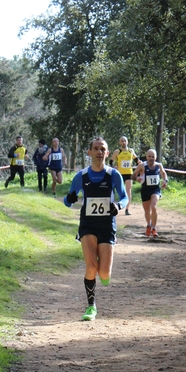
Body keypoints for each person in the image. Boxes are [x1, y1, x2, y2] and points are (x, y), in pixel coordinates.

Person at [64, 136, 128, 321]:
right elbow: (68, 200)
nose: (100, 152)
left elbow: (124, 197)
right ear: (89, 152)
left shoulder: (113, 175)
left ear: (108, 154)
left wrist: (118, 206)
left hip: (107, 225)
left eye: (103, 149)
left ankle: (104, 272)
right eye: (96, 149)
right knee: (91, 266)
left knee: (104, 273)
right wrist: (70, 199)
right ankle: (91, 307)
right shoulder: (81, 176)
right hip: (88, 224)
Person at [133, 148, 168, 237]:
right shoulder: (142, 166)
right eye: (149, 156)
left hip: (155, 189)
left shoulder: (159, 165)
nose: (151, 158)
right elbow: (133, 175)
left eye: (153, 156)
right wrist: (137, 178)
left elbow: (163, 173)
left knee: (154, 207)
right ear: (146, 157)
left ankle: (154, 228)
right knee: (147, 210)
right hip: (145, 189)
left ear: (155, 157)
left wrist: (165, 181)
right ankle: (148, 225)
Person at [110, 135, 139, 215]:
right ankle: (114, 205)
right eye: (122, 141)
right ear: (119, 142)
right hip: (119, 174)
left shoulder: (131, 151)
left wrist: (141, 164)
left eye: (125, 141)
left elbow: (136, 159)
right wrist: (113, 167)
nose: (123, 142)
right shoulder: (117, 151)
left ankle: (127, 209)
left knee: (128, 191)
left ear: (127, 142)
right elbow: (111, 161)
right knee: (116, 189)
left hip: (129, 173)